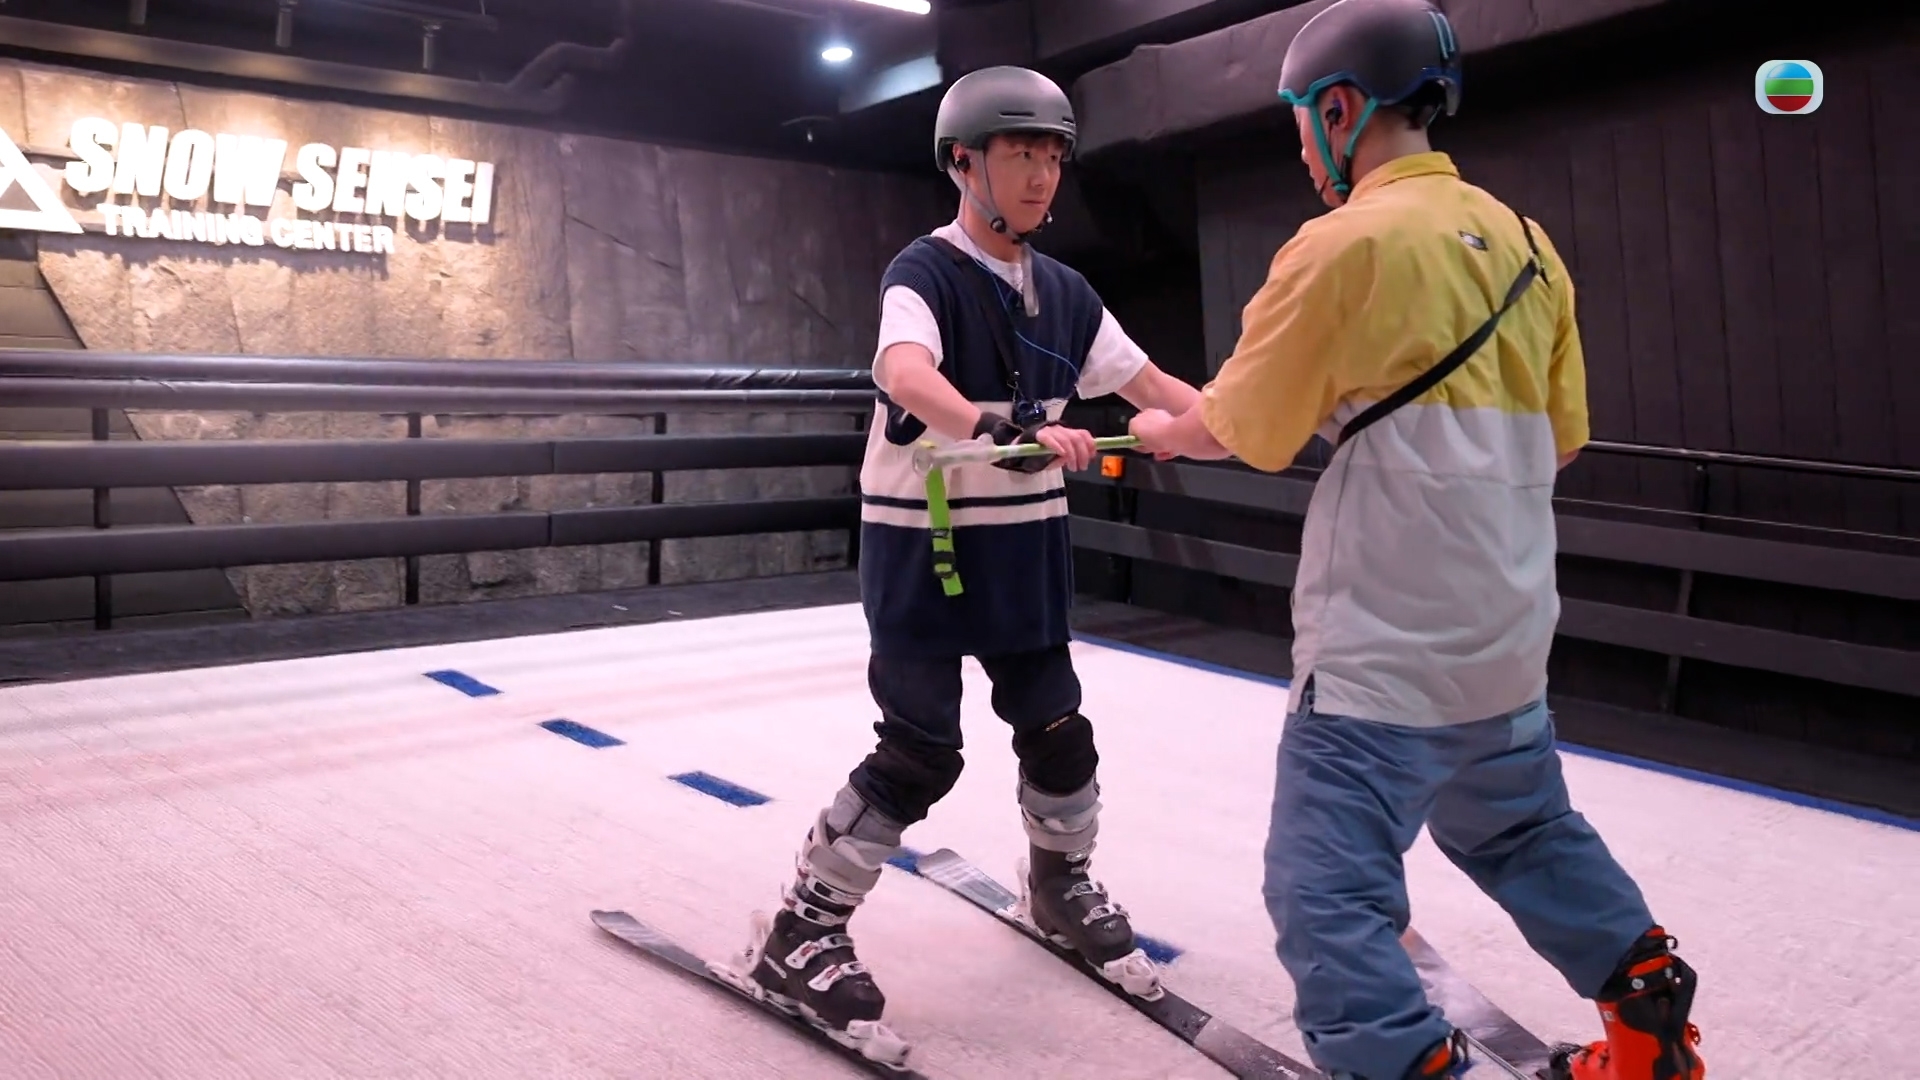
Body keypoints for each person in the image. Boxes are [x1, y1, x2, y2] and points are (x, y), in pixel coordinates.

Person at [1125, 2, 1708, 1079]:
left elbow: (1241, 430)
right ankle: (1645, 1032)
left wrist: (1161, 430)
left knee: (1325, 892)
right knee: (1521, 830)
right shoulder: (1531, 248)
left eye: (1302, 120)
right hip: (1507, 645)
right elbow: (1562, 441)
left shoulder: (1340, 246)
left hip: (1379, 659)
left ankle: (1398, 1064)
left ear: (1341, 108)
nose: (1303, 149)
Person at [741, 64, 1205, 1066]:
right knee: (921, 748)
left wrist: (1246, 423)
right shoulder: (925, 273)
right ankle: (800, 932)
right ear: (963, 163)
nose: (1041, 176)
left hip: (1024, 548)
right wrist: (994, 427)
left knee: (1059, 731)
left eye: (1053, 157)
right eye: (1019, 154)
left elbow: (1158, 388)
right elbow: (904, 371)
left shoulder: (1068, 295)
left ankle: (1058, 885)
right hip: (926, 546)